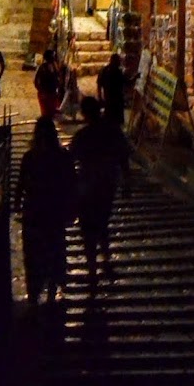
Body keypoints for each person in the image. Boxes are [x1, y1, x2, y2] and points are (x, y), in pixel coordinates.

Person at [69, 95, 130, 296]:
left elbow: (70, 161)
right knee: (102, 223)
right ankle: (106, 260)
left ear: (84, 114)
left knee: (88, 229)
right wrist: (127, 182)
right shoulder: (112, 131)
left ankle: (93, 269)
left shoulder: (82, 136)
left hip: (87, 187)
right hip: (107, 185)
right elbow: (124, 157)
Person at [14, 116, 77, 309]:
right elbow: (72, 184)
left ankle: (35, 294)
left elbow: (21, 184)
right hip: (54, 210)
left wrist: (17, 204)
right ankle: (51, 289)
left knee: (34, 253)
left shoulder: (30, 157)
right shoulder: (63, 156)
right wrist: (72, 208)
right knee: (54, 248)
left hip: (35, 211)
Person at [97, 50, 127, 127]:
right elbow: (126, 82)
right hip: (114, 100)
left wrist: (100, 96)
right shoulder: (111, 71)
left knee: (111, 119)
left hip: (111, 99)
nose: (119, 63)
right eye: (118, 61)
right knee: (113, 120)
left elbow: (99, 84)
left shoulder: (106, 70)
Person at [34, 47, 65, 117]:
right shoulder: (43, 67)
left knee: (51, 112)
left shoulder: (55, 66)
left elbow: (58, 77)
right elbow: (36, 80)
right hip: (45, 93)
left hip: (52, 92)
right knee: (46, 112)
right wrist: (41, 90)